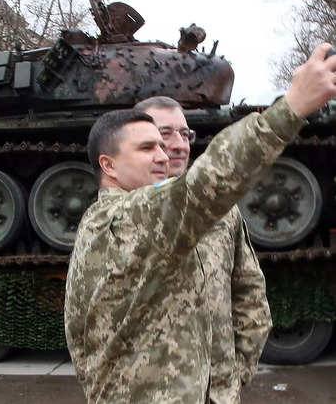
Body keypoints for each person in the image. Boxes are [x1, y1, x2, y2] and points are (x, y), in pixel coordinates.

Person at [64, 42, 335, 403]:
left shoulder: (214, 213)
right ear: (108, 165)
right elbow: (203, 186)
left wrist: (232, 380)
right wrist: (293, 106)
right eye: (152, 144)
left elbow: (249, 293)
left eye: (182, 135)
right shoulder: (117, 220)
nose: (168, 151)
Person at [134, 95, 271, 403]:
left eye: (185, 134)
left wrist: (236, 374)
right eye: (165, 133)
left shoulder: (222, 210)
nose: (180, 145)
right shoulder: (119, 214)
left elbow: (249, 291)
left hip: (217, 393)